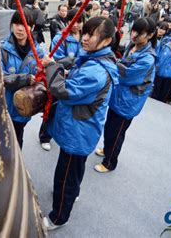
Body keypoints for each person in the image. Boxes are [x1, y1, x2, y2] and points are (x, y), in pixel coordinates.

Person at [42, 17, 118, 230]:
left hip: (77, 130)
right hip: (84, 128)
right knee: (75, 169)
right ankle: (72, 195)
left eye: (91, 34)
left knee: (65, 173)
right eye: (85, 32)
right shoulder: (99, 61)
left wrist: (51, 68)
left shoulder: (96, 70)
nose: (84, 38)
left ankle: (58, 217)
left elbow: (63, 91)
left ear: (106, 40)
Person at [94, 18, 156, 172]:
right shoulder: (133, 46)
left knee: (117, 131)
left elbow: (127, 75)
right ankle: (108, 149)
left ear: (150, 35)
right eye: (133, 30)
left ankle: (110, 162)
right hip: (118, 96)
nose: (134, 35)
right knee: (110, 126)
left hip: (128, 102)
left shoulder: (147, 59)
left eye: (139, 33)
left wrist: (113, 64)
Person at [39, 8, 85, 151]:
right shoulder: (60, 38)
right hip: (60, 77)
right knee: (52, 107)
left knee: (67, 109)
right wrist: (64, 69)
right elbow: (55, 59)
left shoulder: (85, 38)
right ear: (67, 21)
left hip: (77, 80)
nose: (76, 24)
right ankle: (45, 136)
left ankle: (60, 134)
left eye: (79, 21)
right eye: (72, 20)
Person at [1, 9, 45, 148]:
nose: (19, 28)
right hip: (4, 106)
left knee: (17, 138)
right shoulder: (2, 48)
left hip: (24, 107)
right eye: (16, 23)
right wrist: (25, 79)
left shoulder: (38, 52)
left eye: (24, 24)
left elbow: (43, 78)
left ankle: (14, 167)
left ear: (32, 27)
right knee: (4, 141)